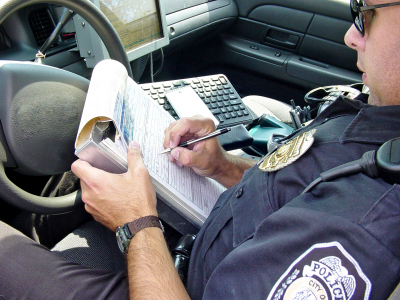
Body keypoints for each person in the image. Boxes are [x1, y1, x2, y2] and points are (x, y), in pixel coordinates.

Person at [1, 0, 400, 299]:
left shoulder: (363, 230)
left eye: (366, 15)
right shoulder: (379, 125)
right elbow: (297, 192)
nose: (351, 36)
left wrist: (136, 222)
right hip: (205, 240)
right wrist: (222, 165)